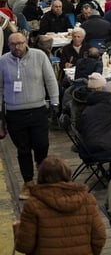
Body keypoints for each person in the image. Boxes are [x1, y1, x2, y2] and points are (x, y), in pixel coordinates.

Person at [0, 32, 60, 199]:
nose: (16, 47)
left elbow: (50, 80)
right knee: (23, 150)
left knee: (42, 145)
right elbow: (0, 88)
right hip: (14, 113)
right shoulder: (3, 61)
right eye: (12, 44)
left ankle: (43, 179)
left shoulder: (39, 56)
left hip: (37, 110)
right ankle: (28, 183)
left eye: (19, 43)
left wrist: (55, 102)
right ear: (8, 45)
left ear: (26, 42)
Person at [13, 156, 106, 255]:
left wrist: (18, 229)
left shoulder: (32, 205)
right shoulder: (88, 200)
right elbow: (99, 237)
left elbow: (25, 246)